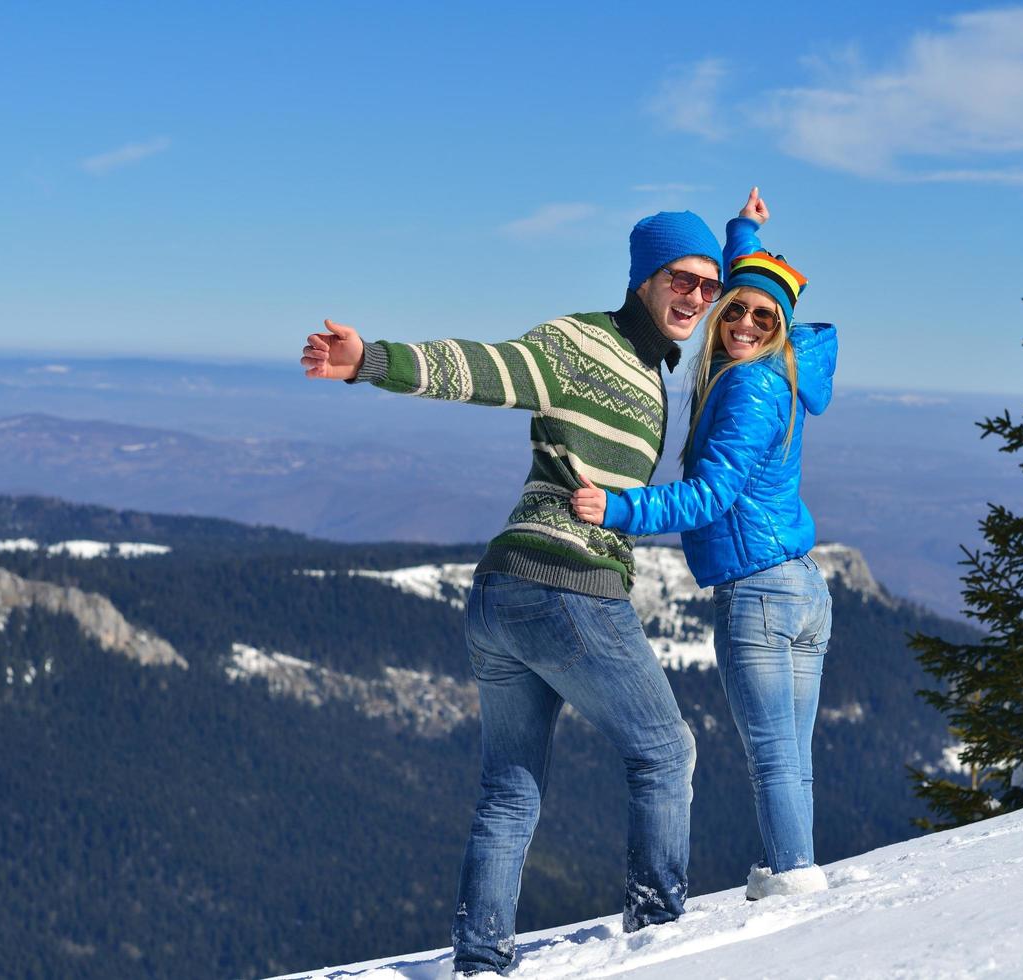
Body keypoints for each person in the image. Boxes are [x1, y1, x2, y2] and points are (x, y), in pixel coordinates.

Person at [300, 211, 723, 975]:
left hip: (499, 593)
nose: (696, 297)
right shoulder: (580, 344)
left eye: (708, 284)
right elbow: (486, 369)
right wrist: (371, 360)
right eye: (681, 280)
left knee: (509, 791)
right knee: (665, 753)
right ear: (645, 279)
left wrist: (745, 235)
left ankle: (479, 958)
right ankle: (661, 935)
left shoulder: (651, 365)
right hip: (569, 589)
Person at [572, 187, 838, 900]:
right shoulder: (786, 371)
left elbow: (709, 495)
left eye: (761, 317)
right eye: (735, 307)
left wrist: (616, 507)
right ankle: (796, 865)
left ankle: (795, 882)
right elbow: (750, 281)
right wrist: (743, 231)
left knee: (773, 756)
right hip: (802, 587)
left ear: (778, 328)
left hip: (758, 592)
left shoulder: (749, 387)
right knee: (791, 755)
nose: (743, 322)